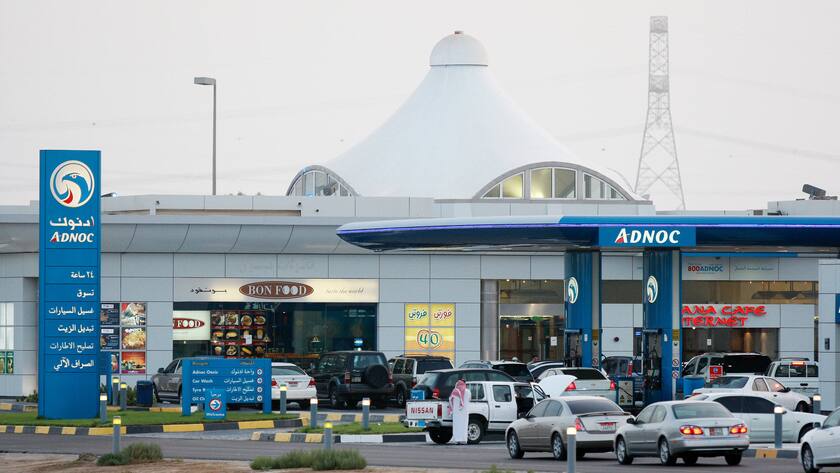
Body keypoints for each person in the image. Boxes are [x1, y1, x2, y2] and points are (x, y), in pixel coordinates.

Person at [448, 379, 471, 444]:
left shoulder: (455, 391)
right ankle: (464, 440)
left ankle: (457, 439)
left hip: (456, 412)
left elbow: (450, 400)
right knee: (464, 426)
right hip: (465, 412)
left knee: (457, 426)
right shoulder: (468, 391)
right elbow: (469, 399)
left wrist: (451, 409)